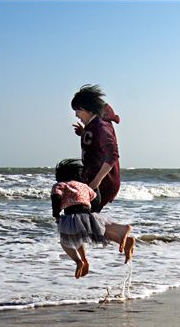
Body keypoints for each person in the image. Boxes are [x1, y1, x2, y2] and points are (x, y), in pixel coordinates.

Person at [51, 159, 134, 279]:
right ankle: (123, 233)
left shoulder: (59, 185)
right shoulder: (83, 186)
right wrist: (91, 212)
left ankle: (79, 261)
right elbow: (96, 199)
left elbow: (56, 199)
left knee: (65, 241)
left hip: (72, 216)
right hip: (88, 214)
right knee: (97, 233)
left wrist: (57, 216)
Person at [71, 84, 121, 212]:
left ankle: (120, 231)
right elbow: (97, 145)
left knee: (86, 216)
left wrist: (97, 181)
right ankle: (118, 230)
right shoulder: (93, 126)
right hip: (97, 180)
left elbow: (113, 154)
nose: (76, 115)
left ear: (88, 109)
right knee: (88, 217)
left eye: (78, 110)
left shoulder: (100, 126)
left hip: (104, 182)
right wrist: (84, 134)